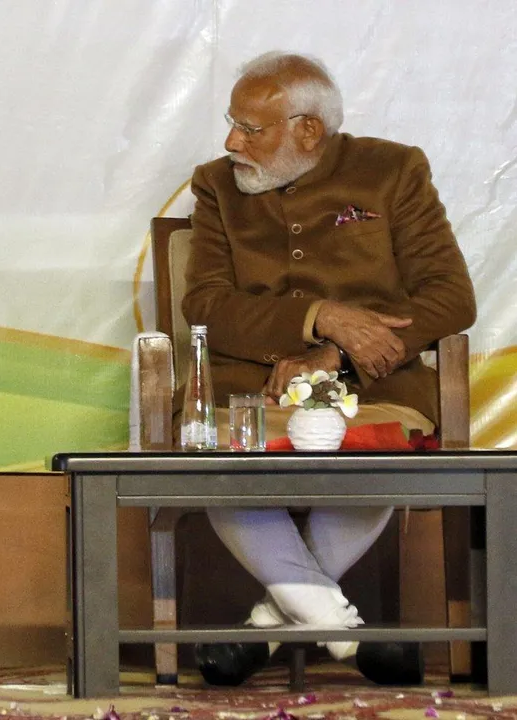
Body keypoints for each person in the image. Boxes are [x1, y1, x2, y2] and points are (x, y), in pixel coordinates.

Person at [181, 51, 475, 686]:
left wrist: (339, 351)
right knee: (223, 466)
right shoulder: (216, 184)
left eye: (250, 129)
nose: (232, 142)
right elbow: (203, 304)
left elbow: (450, 296)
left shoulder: (394, 170)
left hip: (374, 383)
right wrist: (319, 315)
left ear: (307, 129)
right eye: (232, 124)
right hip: (250, 384)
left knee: (375, 459)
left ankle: (265, 632)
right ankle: (344, 635)